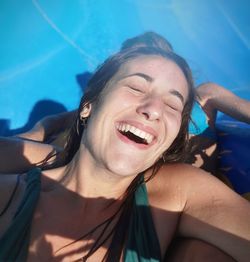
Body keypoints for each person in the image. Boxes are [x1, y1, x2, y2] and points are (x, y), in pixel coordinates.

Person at [0, 44, 250, 261]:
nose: (154, 109)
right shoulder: (10, 195)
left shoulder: (180, 190)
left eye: (172, 104)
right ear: (88, 106)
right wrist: (35, 135)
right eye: (136, 87)